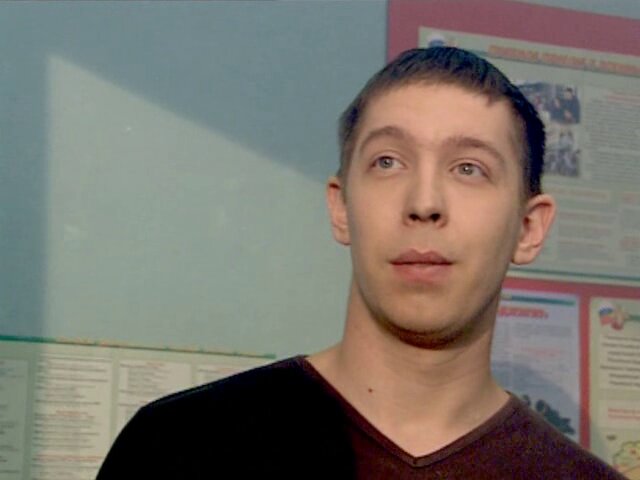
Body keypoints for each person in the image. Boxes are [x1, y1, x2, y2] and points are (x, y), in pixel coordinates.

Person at [97, 47, 624, 479]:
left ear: (529, 229)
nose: (424, 202)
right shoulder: (181, 447)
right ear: (341, 208)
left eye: (469, 168)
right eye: (387, 162)